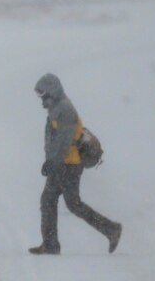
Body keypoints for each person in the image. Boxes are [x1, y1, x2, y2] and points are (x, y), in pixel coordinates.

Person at [28, 73, 122, 255]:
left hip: (69, 165)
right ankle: (50, 244)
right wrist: (50, 161)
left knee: (73, 204)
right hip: (61, 164)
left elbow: (65, 141)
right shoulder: (56, 108)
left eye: (43, 94)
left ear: (52, 91)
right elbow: (54, 140)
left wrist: (53, 162)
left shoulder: (64, 110)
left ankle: (111, 230)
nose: (41, 99)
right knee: (48, 201)